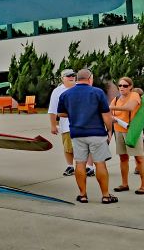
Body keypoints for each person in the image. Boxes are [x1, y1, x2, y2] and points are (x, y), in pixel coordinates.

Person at [58, 69, 117, 204]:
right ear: (90, 78)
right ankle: (106, 196)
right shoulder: (97, 92)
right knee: (100, 163)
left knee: (80, 163)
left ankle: (83, 195)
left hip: (77, 134)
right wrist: (109, 131)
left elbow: (61, 114)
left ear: (77, 79)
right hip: (96, 133)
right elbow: (106, 116)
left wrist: (74, 113)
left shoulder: (66, 94)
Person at [109, 77, 144, 194]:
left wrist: (111, 107)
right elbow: (110, 113)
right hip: (118, 130)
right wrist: (112, 119)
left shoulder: (134, 95)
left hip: (132, 131)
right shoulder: (116, 98)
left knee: (139, 158)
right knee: (123, 158)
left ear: (130, 87)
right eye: (120, 85)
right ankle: (124, 184)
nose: (122, 88)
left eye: (125, 86)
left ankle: (143, 186)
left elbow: (129, 107)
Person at [48, 69, 77, 176]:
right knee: (68, 147)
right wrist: (53, 125)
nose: (71, 77)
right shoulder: (57, 91)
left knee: (85, 147)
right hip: (66, 126)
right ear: (62, 78)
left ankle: (89, 167)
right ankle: (70, 166)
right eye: (68, 75)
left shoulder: (80, 87)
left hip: (84, 124)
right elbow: (52, 110)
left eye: (73, 75)